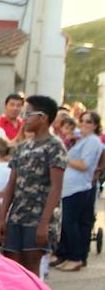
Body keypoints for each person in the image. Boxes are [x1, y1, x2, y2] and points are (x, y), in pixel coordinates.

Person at [0, 95, 68, 277]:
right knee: (11, 267)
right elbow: (11, 185)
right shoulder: (22, 147)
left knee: (31, 269)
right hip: (17, 216)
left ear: (42, 118)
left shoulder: (55, 147)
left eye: (28, 114)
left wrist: (44, 223)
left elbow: (56, 188)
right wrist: (2, 218)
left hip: (38, 218)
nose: (24, 119)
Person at [52, 111, 103, 272]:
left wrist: (64, 157)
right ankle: (66, 254)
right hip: (69, 188)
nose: (84, 124)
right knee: (67, 223)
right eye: (82, 121)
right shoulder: (81, 139)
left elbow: (85, 164)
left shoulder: (93, 141)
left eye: (88, 122)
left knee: (71, 223)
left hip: (78, 187)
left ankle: (75, 257)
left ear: (95, 125)